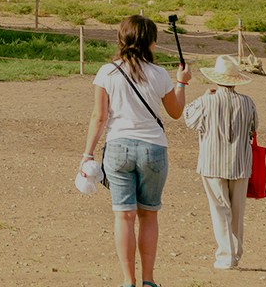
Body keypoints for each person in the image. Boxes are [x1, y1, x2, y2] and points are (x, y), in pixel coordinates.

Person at [81, 15, 192, 287]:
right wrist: (182, 83)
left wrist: (88, 154)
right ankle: (148, 280)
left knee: (124, 215)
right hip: (153, 148)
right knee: (148, 214)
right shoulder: (159, 74)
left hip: (118, 146)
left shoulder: (107, 72)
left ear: (122, 38)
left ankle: (128, 281)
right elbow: (176, 112)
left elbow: (99, 117)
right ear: (150, 41)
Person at [183, 54, 258, 271]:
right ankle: (235, 253)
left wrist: (202, 96)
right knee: (237, 211)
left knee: (220, 209)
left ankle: (226, 255)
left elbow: (189, 118)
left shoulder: (207, 101)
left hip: (213, 161)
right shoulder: (248, 102)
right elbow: (255, 127)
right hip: (241, 162)